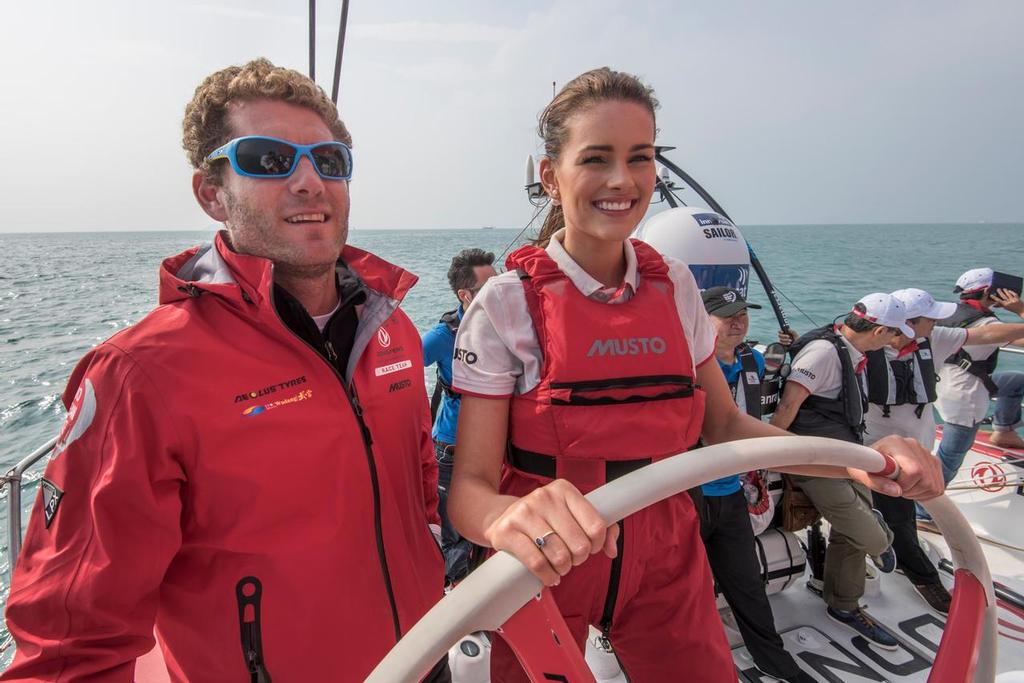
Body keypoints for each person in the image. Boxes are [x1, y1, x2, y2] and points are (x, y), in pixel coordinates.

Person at [446, 67, 943, 682]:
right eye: (596, 158)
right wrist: (501, 518)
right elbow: (466, 489)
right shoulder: (504, 304)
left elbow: (726, 426)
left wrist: (864, 459)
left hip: (668, 548)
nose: (622, 180)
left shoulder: (676, 286)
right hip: (547, 555)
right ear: (551, 176)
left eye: (641, 157)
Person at [1, 59, 448, 682]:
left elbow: (419, 485)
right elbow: (70, 645)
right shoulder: (139, 377)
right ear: (212, 193)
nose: (308, 181)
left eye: (330, 160)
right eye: (267, 160)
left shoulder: (390, 328)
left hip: (426, 661)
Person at [865, 287, 1024, 613]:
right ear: (908, 322)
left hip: (919, 447)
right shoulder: (864, 350)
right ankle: (924, 579)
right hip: (878, 450)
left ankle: (887, 547)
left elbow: (988, 334)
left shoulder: (933, 339)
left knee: (902, 511)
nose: (938, 323)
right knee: (898, 515)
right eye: (931, 318)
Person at [770, 294, 912, 650]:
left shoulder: (848, 351)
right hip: (815, 460)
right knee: (876, 539)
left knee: (850, 537)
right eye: (894, 335)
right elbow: (788, 406)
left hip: (849, 455)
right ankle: (876, 531)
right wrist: (769, 458)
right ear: (879, 330)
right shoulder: (824, 353)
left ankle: (844, 605)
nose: (895, 342)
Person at [697, 287, 811, 683]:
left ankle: (772, 659)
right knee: (685, 589)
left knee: (746, 582)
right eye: (727, 314)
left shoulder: (754, 360)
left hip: (731, 491)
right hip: (686, 493)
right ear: (700, 320)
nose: (738, 321)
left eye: (743, 313)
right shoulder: (687, 364)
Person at [422, 248, 497, 584]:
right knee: (454, 534)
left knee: (487, 529)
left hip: (495, 446)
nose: (500, 293)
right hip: (452, 449)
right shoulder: (443, 336)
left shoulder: (505, 327)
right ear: (464, 296)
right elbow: (396, 369)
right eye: (489, 288)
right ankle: (453, 600)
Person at [932, 268, 1024, 487]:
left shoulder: (947, 314)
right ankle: (922, 510)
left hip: (940, 386)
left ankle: (1004, 431)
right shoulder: (988, 325)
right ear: (988, 292)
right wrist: (1019, 308)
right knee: (949, 459)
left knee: (1014, 381)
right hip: (965, 400)